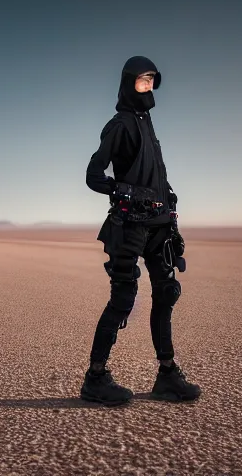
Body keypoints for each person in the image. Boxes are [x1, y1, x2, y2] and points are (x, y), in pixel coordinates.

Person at [81, 56, 201, 406]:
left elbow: (155, 176)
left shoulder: (147, 123)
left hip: (160, 226)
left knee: (166, 293)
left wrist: (167, 203)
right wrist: (126, 191)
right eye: (141, 81)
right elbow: (94, 175)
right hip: (130, 225)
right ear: (128, 83)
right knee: (123, 300)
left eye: (151, 81)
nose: (147, 87)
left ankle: (167, 375)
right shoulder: (120, 124)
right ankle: (95, 379)